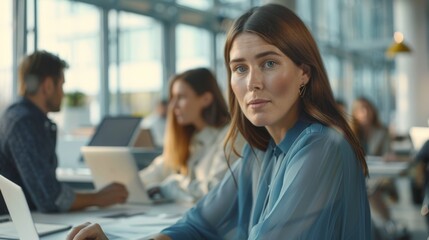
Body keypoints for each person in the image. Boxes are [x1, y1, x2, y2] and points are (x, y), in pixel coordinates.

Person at [67, 4, 370, 240]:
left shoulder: (322, 146)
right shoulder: (260, 149)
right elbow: (198, 224)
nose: (252, 82)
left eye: (269, 63)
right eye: (240, 68)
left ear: (303, 72)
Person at [0, 50, 128, 214]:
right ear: (47, 86)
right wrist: (99, 198)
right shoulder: (22, 122)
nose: (63, 93)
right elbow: (50, 198)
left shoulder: (35, 121)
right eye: (62, 84)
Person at [139, 67, 237, 203]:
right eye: (172, 98)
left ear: (206, 99)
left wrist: (173, 186)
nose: (173, 106)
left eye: (181, 97)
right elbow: (158, 171)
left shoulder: (230, 136)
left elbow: (217, 190)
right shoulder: (193, 139)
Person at [351, 97, 402, 237]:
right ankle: (387, 224)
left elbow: (388, 153)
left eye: (367, 108)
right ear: (354, 113)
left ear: (373, 110)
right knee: (365, 190)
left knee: (370, 190)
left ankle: (381, 226)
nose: (365, 112)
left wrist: (390, 156)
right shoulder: (351, 133)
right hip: (359, 177)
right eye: (361, 110)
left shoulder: (382, 131)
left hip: (381, 178)